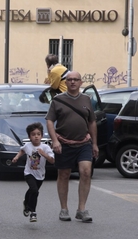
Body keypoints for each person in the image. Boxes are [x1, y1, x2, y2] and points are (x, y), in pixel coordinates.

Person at [45, 71, 98, 223]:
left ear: (81, 83)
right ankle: (64, 209)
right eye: (69, 80)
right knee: (64, 174)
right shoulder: (58, 100)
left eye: (76, 80)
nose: (73, 82)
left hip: (84, 143)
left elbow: (92, 122)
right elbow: (50, 121)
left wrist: (94, 143)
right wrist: (55, 141)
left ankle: (81, 209)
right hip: (64, 143)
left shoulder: (87, 99)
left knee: (86, 171)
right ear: (65, 83)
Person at [12, 123, 54, 222]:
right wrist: (16, 157)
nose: (36, 136)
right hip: (29, 173)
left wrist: (44, 154)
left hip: (40, 174)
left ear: (42, 136)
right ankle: (33, 212)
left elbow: (52, 161)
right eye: (33, 134)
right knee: (34, 190)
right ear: (29, 136)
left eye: (38, 134)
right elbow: (22, 150)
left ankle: (26, 203)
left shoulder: (45, 148)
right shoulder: (27, 145)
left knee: (32, 191)